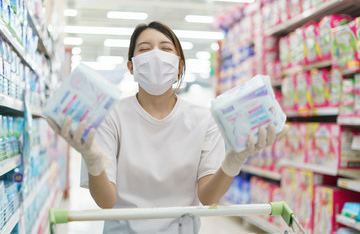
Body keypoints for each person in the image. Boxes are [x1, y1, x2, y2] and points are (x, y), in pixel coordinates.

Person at [47, 21, 288, 234]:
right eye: (144, 49)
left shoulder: (205, 119)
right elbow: (106, 202)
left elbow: (207, 197)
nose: (155, 56)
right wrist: (92, 160)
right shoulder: (110, 115)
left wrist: (234, 160)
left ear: (179, 65)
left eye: (165, 48)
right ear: (131, 67)